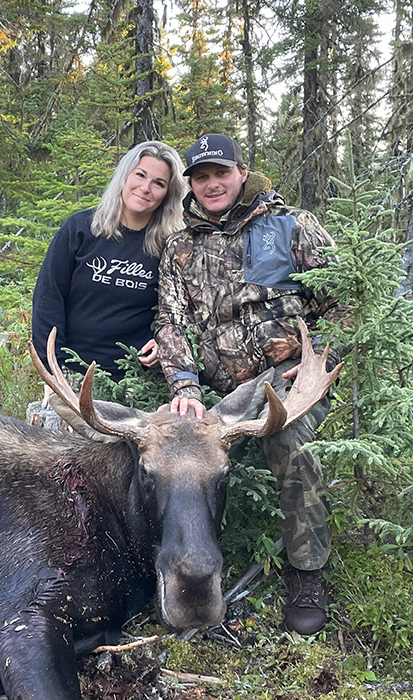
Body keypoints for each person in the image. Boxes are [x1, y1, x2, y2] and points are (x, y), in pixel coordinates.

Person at [155, 133, 345, 636]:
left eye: (221, 173)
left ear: (242, 171)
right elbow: (170, 322)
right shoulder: (181, 247)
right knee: (170, 448)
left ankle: (307, 572)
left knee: (286, 437)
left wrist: (314, 356)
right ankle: (179, 564)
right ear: (190, 186)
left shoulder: (290, 227)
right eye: (201, 177)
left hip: (290, 379)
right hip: (218, 393)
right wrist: (183, 387)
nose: (212, 184)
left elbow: (347, 303)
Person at [32, 141, 188, 379]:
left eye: (159, 183)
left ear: (168, 194)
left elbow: (185, 310)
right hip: (72, 373)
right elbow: (48, 299)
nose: (146, 188)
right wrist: (51, 370)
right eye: (140, 175)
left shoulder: (171, 246)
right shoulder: (80, 229)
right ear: (125, 175)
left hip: (138, 380)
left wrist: (166, 343)